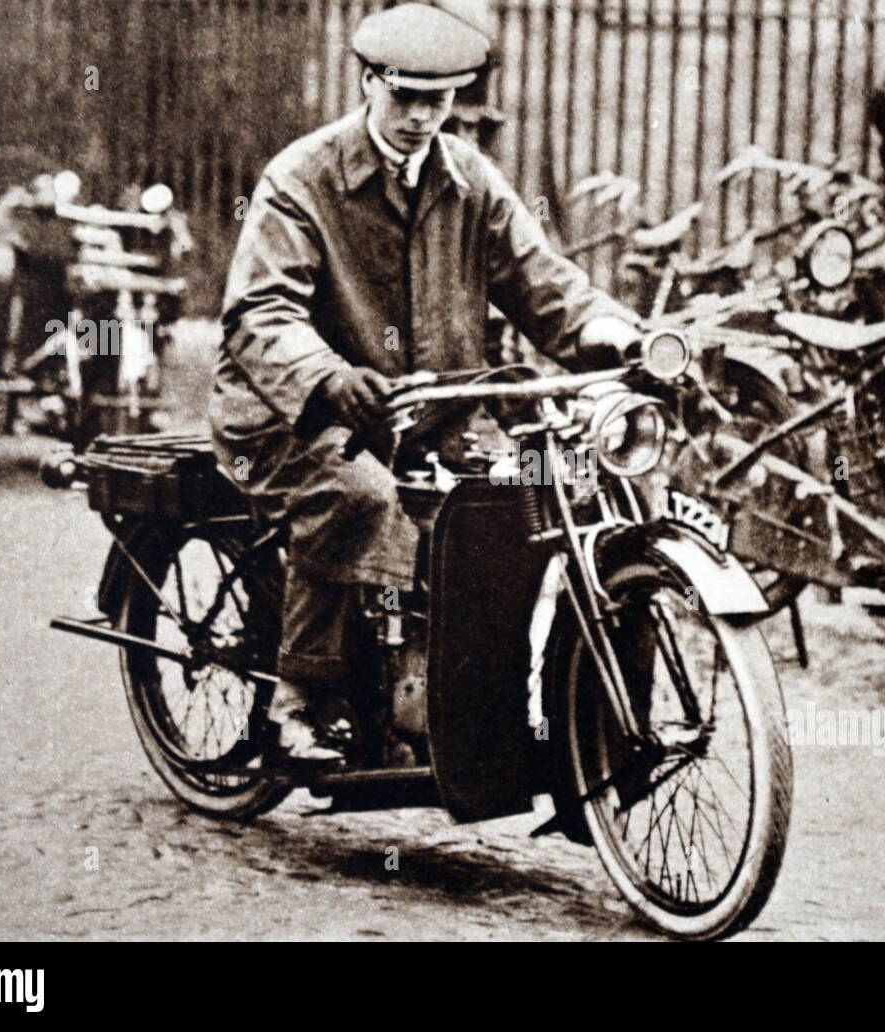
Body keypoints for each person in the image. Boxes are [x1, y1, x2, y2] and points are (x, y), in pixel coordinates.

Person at [210, 0, 640, 761]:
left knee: (502, 507)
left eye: (436, 100)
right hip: (288, 412)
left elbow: (539, 279)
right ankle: (301, 700)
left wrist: (600, 326)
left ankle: (454, 704)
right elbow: (260, 313)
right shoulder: (301, 178)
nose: (418, 117)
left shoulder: (469, 178)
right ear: (369, 81)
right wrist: (329, 378)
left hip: (422, 411)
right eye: (403, 95)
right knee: (358, 499)